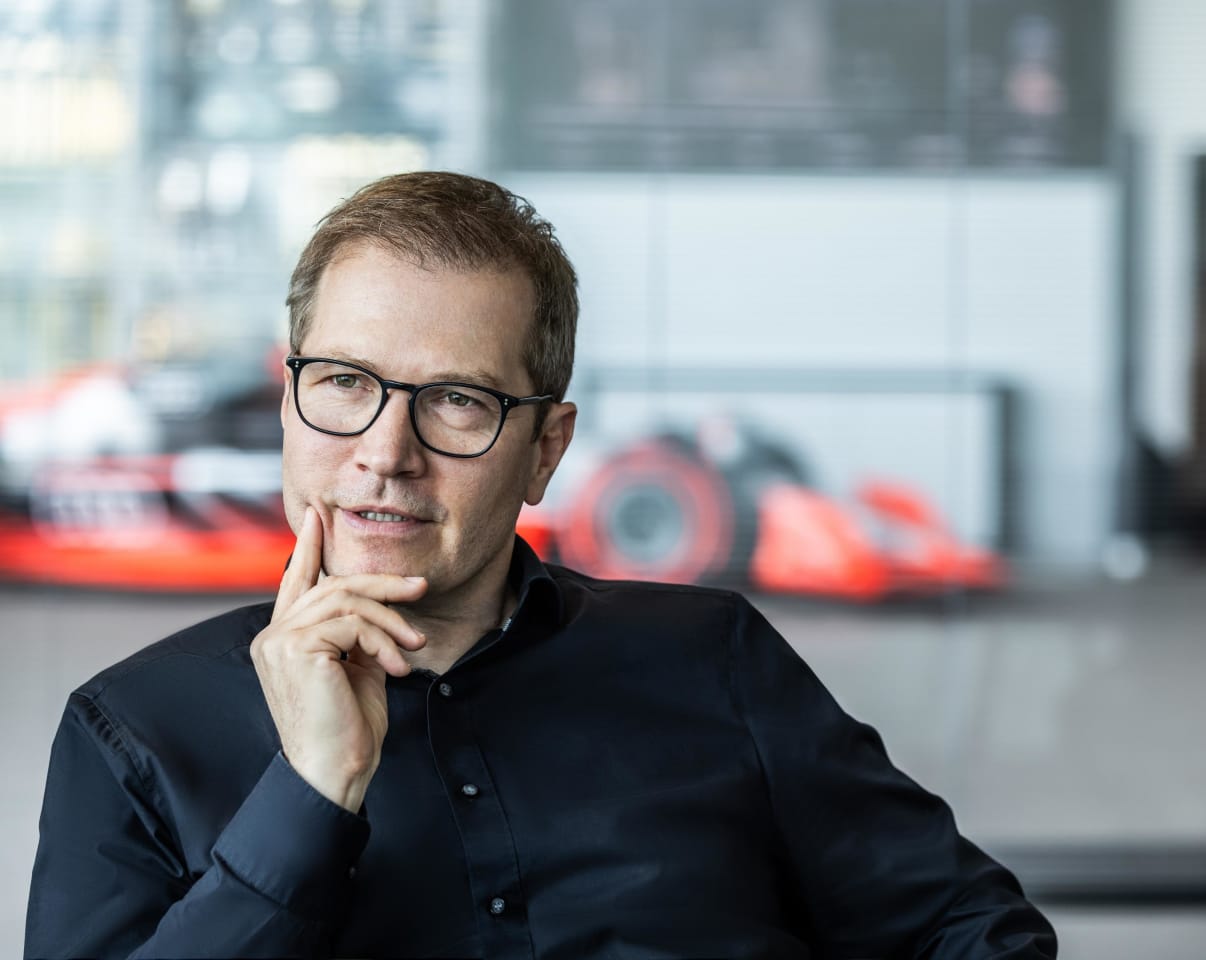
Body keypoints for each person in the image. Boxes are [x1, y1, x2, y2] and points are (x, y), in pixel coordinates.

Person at [26, 172, 1057, 959]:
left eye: (457, 402)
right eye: (344, 382)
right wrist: (308, 792)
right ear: (294, 394)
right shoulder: (132, 737)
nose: (385, 453)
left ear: (547, 451)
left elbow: (974, 935)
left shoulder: (714, 662)